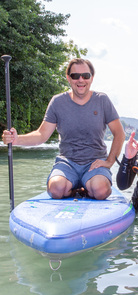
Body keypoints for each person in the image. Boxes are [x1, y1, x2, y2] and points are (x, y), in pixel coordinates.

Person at [2, 58, 125, 200]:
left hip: (95, 163)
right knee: (56, 189)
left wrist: (109, 161)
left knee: (101, 190)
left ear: (91, 78)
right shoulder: (57, 102)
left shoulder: (102, 100)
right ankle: (75, 191)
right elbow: (42, 134)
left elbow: (119, 133)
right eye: (75, 76)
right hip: (67, 163)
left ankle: (88, 188)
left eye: (85, 76)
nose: (81, 80)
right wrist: (16, 139)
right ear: (68, 78)